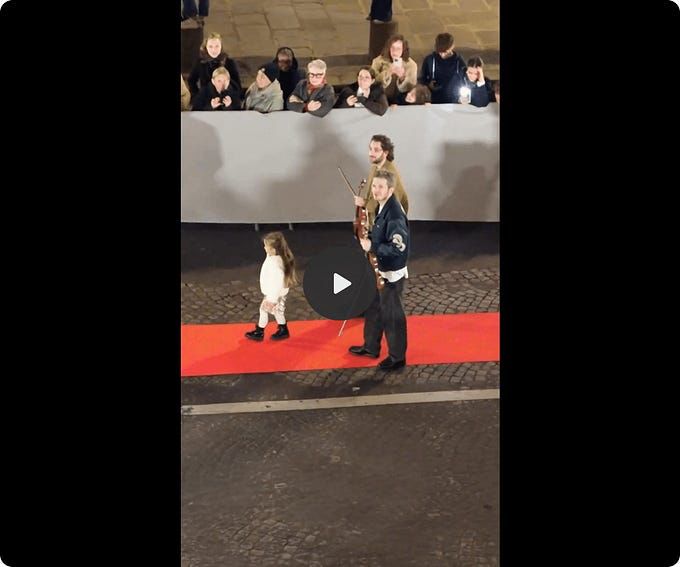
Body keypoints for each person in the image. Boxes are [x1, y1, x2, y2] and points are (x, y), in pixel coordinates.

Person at [349, 169, 409, 371]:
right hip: (379, 270)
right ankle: (370, 346)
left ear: (390, 190)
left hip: (390, 274)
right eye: (374, 186)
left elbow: (398, 248)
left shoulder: (395, 215)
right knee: (373, 308)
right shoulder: (382, 206)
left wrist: (372, 246)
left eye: (380, 187)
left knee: (392, 316)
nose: (375, 190)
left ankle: (397, 357)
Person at [245, 232, 298, 341]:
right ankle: (283, 329)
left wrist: (271, 299)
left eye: (266, 246)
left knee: (263, 310)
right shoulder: (275, 258)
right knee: (278, 312)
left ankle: (259, 331)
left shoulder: (275, 265)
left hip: (274, 295)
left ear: (273, 250)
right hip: (278, 293)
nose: (264, 248)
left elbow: (277, 283)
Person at [354, 134, 409, 228]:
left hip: (390, 221)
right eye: (370, 149)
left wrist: (364, 203)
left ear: (385, 153)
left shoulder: (389, 173)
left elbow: (387, 202)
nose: (371, 153)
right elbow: (370, 193)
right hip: (377, 220)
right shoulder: (375, 166)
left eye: (376, 150)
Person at [187, 33, 242, 100]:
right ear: (206, 47)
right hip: (206, 100)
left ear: (221, 46)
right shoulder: (201, 63)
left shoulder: (229, 62)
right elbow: (191, 80)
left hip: (226, 99)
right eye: (210, 46)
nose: (214, 50)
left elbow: (237, 84)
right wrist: (198, 96)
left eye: (217, 46)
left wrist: (231, 97)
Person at [418, 32, 466, 104]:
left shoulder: (459, 62)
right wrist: (428, 84)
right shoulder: (430, 60)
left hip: (453, 101)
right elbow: (421, 79)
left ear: (452, 47)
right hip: (434, 101)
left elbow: (465, 81)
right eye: (440, 52)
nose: (442, 55)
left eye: (445, 51)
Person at [370, 34, 418, 105]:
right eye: (392, 48)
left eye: (398, 49)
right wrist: (388, 73)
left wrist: (402, 78)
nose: (395, 52)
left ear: (403, 50)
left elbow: (411, 88)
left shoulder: (411, 65)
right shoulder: (378, 61)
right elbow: (372, 82)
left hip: (402, 101)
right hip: (380, 99)